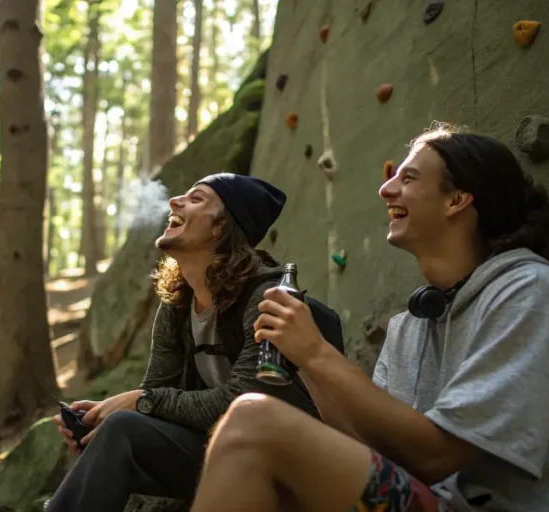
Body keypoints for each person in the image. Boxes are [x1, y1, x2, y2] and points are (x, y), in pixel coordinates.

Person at [187, 123, 549, 512]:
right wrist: (302, 362)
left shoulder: (531, 293)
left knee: (253, 419)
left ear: (457, 200)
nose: (386, 189)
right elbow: (374, 452)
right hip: (419, 499)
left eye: (408, 179)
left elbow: (437, 455)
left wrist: (317, 353)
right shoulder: (412, 323)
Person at [45, 172, 341, 512]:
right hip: (220, 452)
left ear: (221, 226)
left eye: (196, 199)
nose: (175, 201)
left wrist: (141, 403)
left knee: (125, 426)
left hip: (286, 463)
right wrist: (96, 427)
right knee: (119, 430)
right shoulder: (178, 307)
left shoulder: (266, 298)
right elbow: (155, 400)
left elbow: (243, 399)